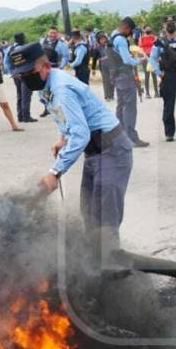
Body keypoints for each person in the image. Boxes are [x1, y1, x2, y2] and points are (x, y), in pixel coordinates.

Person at [13, 42, 133, 255]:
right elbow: (65, 118)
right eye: (20, 75)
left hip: (111, 149)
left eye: (28, 72)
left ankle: (112, 270)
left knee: (104, 217)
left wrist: (55, 172)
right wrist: (63, 138)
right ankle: (96, 262)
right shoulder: (46, 86)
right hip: (94, 151)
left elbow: (81, 133)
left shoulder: (61, 88)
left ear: (45, 66)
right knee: (88, 212)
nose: (24, 78)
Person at [101, 18, 149, 147]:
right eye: (131, 31)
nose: (131, 34)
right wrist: (140, 61)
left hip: (116, 76)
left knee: (121, 106)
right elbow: (126, 60)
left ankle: (120, 137)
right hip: (125, 76)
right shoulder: (121, 40)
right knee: (129, 108)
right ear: (127, 28)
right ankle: (131, 138)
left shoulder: (112, 35)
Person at [4, 32, 38, 123]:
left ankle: (20, 116)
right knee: (26, 95)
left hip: (16, 75)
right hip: (25, 74)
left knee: (19, 95)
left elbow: (6, 62)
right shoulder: (23, 48)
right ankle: (26, 116)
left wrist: (12, 72)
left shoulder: (9, 49)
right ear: (21, 39)